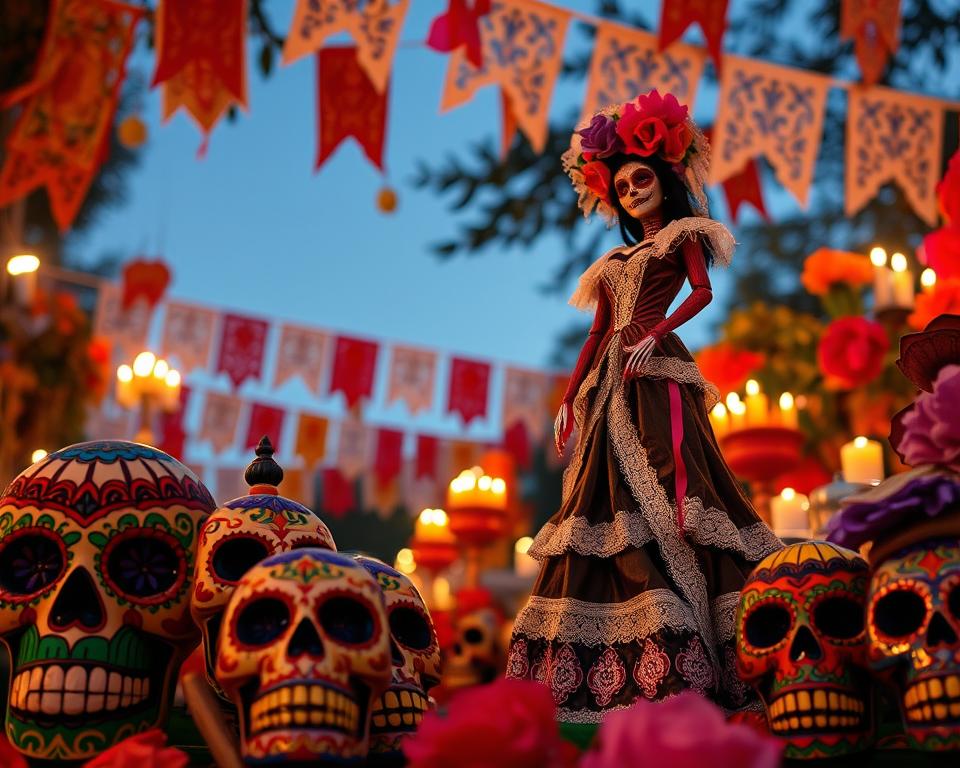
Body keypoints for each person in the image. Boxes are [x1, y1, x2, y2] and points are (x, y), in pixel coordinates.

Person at [505, 90, 782, 722]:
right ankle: (614, 665)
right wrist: (571, 398)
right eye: (623, 185)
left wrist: (657, 333)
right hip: (609, 385)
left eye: (642, 179)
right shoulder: (611, 263)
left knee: (673, 481)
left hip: (654, 373)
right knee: (601, 500)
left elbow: (703, 290)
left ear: (666, 180)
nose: (633, 191)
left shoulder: (684, 236)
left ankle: (706, 642)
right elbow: (597, 333)